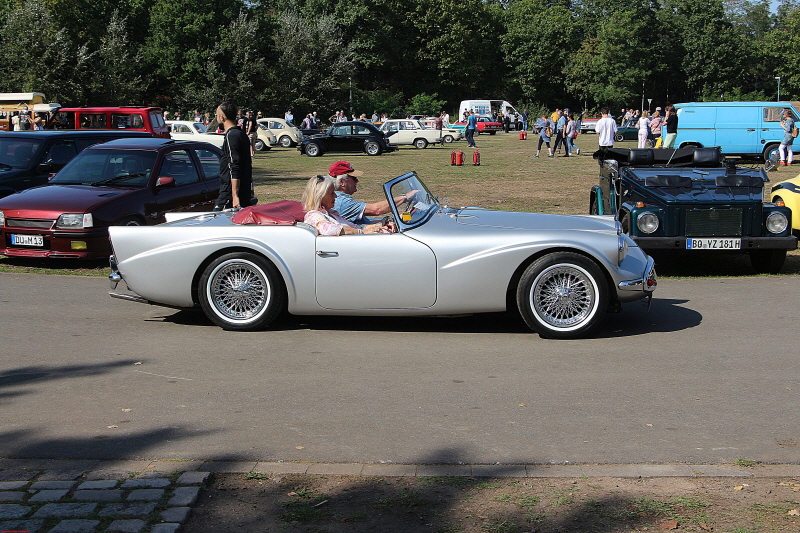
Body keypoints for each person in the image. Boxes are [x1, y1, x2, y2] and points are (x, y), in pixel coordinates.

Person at [328, 160, 417, 224]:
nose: (357, 181)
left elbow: (367, 221)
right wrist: (405, 197)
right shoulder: (342, 202)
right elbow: (377, 209)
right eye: (353, 178)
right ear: (342, 182)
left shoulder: (340, 198)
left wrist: (395, 219)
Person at [302, 175, 391, 236]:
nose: (336, 196)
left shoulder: (331, 213)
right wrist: (362, 232)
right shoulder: (313, 215)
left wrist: (380, 225)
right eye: (332, 193)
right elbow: (329, 229)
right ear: (320, 196)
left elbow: (353, 226)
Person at [213, 101, 253, 211]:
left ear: (222, 117)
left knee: (213, 223)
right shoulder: (240, 134)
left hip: (230, 195)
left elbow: (234, 165)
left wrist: (235, 196)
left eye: (216, 115)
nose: (216, 118)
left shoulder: (232, 136)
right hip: (241, 192)